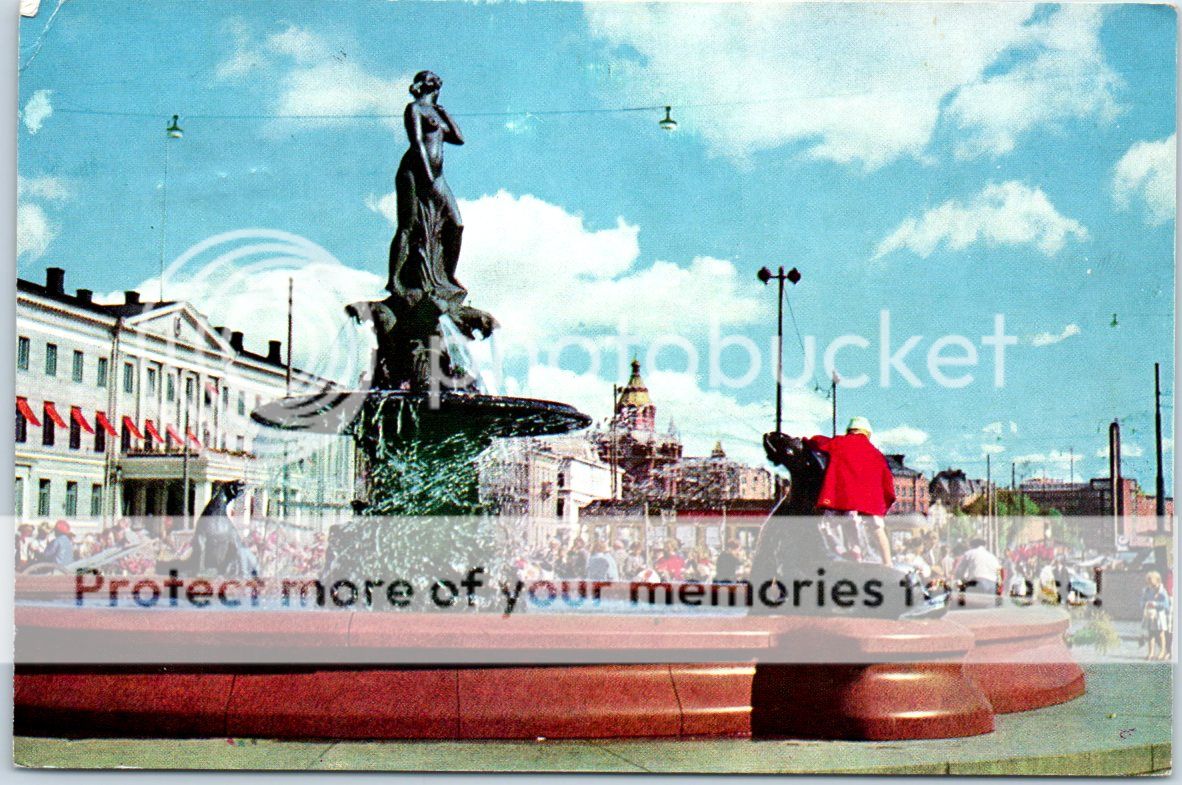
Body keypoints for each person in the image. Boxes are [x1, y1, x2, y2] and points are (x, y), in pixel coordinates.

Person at [804, 416, 896, 564]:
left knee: (831, 524)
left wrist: (806, 440)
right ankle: (888, 562)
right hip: (870, 502)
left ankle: (848, 554)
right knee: (877, 528)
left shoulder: (839, 442)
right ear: (867, 433)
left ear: (849, 431)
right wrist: (883, 501)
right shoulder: (876, 454)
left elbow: (818, 442)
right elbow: (888, 484)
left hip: (842, 498)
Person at [1141, 571, 1171, 661]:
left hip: (1159, 615)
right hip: (1150, 615)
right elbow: (1142, 601)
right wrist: (1146, 604)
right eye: (1148, 581)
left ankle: (1162, 651)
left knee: (1161, 634)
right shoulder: (1146, 590)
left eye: (1151, 581)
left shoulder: (1162, 591)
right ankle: (1151, 652)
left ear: (1157, 580)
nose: (1149, 583)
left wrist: (1155, 604)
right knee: (1151, 634)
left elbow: (1166, 604)